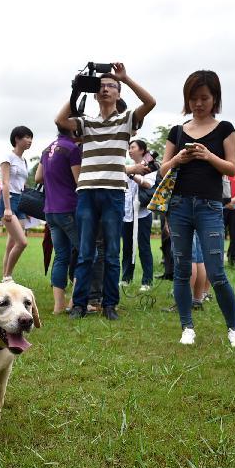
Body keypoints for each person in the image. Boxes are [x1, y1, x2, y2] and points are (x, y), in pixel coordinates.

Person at [55, 63, 156, 321]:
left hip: (113, 191)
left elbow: (150, 102)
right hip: (87, 191)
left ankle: (110, 304)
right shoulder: (86, 122)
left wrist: (126, 78)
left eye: (111, 86)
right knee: (86, 251)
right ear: (95, 93)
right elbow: (59, 120)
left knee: (112, 251)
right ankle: (79, 304)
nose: (106, 90)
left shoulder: (126, 121)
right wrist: (77, 89)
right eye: (101, 87)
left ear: (119, 93)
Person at [159, 70, 235, 348]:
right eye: (193, 98)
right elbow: (162, 168)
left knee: (216, 271)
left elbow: (231, 168)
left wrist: (208, 155)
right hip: (179, 206)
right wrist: (180, 158)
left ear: (215, 98)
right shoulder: (177, 131)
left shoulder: (225, 129)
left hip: (210, 207)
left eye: (204, 98)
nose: (198, 103)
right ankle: (187, 327)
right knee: (182, 270)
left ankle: (234, 329)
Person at [35, 124, 81, 313]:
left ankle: (58, 306)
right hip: (69, 208)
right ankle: (73, 303)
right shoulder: (72, 149)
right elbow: (80, 181)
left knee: (61, 256)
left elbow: (38, 177)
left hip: (50, 210)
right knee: (86, 253)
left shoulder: (47, 149)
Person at [0, 125, 33, 281]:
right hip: (8, 200)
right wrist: (7, 209)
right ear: (17, 139)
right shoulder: (8, 157)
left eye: (31, 138)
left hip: (21, 202)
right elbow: (4, 183)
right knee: (22, 242)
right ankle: (8, 277)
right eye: (26, 137)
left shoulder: (23, 160)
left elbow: (22, 184)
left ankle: (4, 278)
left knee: (11, 244)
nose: (30, 141)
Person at [121, 139, 156, 291]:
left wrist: (132, 175)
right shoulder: (128, 167)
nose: (130, 150)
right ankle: (126, 278)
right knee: (127, 247)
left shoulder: (150, 166)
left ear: (142, 150)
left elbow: (148, 184)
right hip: (127, 213)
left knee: (144, 247)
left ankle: (147, 281)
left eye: (133, 147)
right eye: (129, 147)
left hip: (142, 213)